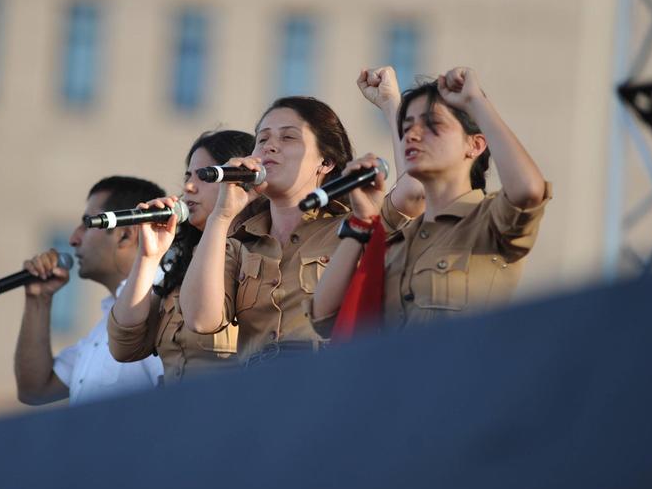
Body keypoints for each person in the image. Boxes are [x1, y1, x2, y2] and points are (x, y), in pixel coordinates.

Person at [310, 66, 551, 338]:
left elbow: (528, 191)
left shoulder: (488, 221)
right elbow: (324, 317)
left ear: (475, 145)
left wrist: (475, 102)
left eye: (432, 125)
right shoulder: (397, 241)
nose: (412, 135)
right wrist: (361, 222)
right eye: (407, 127)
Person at [177, 96, 363, 365]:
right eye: (262, 140)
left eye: (288, 138)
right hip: (257, 395)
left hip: (328, 386)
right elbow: (199, 318)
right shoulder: (239, 243)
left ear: (326, 161)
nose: (270, 147)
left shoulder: (351, 229)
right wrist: (221, 215)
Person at [108, 130, 256, 383]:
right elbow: (124, 347)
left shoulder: (257, 255)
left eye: (205, 175)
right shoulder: (184, 263)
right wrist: (148, 257)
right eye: (188, 176)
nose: (188, 186)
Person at [13, 176, 166, 405]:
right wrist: (39, 299)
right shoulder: (103, 327)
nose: (74, 239)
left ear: (125, 234)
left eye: (88, 223)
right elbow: (34, 390)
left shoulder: (166, 303)